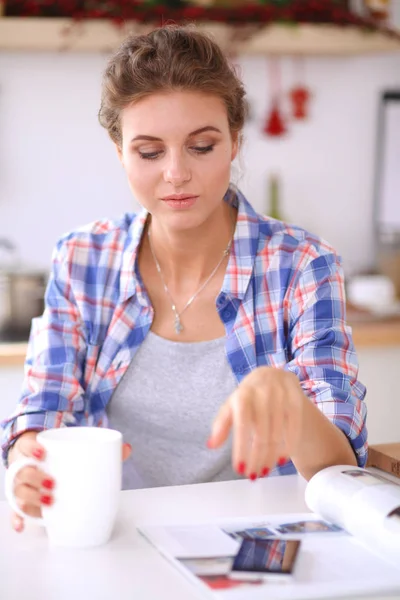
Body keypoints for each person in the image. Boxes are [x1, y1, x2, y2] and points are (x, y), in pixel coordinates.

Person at [1, 24, 367, 534]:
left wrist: (292, 403)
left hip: (261, 542)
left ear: (235, 141)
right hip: (119, 536)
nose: (175, 173)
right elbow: (42, 411)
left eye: (201, 146)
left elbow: (342, 468)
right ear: (119, 149)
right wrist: (27, 462)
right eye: (150, 152)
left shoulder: (302, 265)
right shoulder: (83, 258)